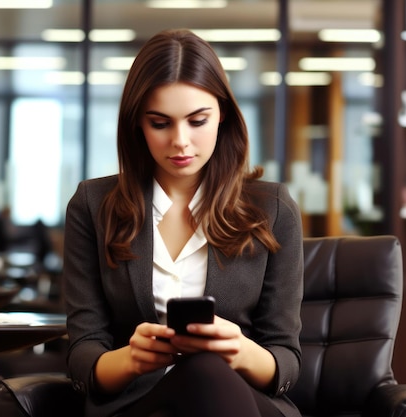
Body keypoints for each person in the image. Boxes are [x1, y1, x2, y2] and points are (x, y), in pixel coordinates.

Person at [63, 28, 304, 417]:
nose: (180, 141)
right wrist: (132, 359)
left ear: (222, 115)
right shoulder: (93, 206)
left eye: (197, 121)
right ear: (137, 124)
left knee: (207, 370)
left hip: (241, 400)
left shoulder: (273, 208)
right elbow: (82, 353)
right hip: (140, 403)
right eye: (160, 123)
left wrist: (240, 351)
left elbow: (287, 359)